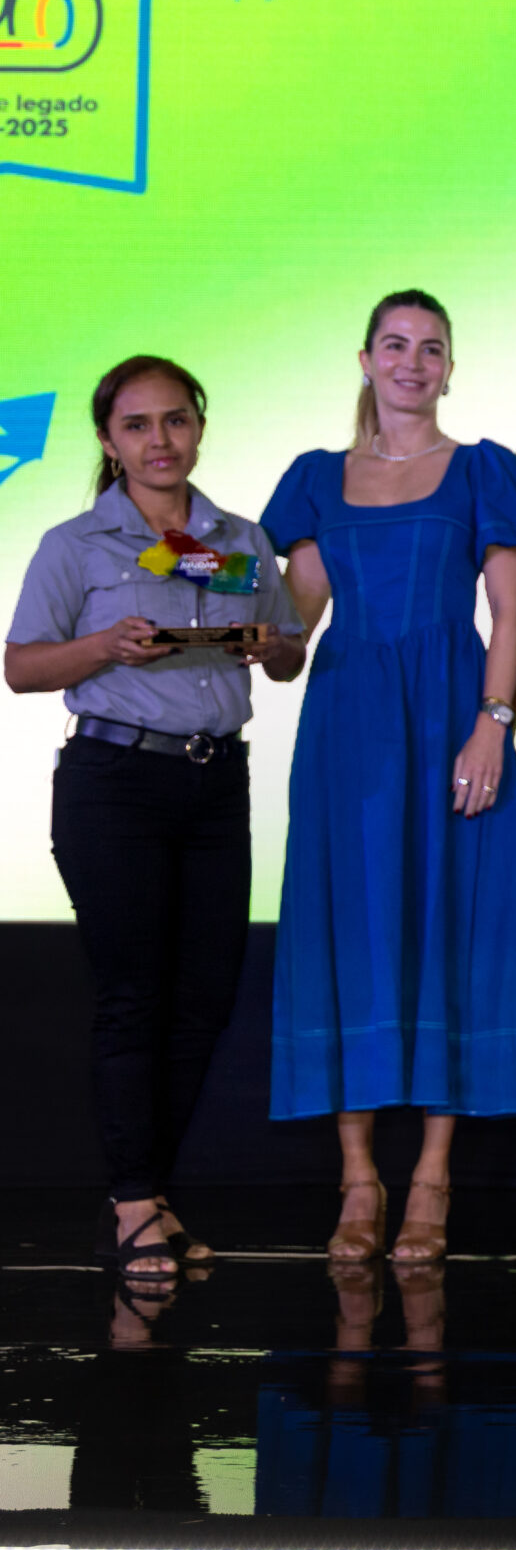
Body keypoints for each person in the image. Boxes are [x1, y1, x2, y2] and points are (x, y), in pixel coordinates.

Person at [263, 289, 516, 1264]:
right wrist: (233, 629)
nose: (412, 362)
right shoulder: (316, 476)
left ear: (450, 368)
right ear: (365, 359)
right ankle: (358, 1178)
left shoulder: (482, 468)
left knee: (448, 923)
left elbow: (512, 613)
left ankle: (432, 1177)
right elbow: (292, 629)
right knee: (346, 926)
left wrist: (492, 726)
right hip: (346, 724)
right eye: (395, 345)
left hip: (450, 716)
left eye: (431, 348)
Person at [5, 357, 305, 1274]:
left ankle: (144, 1195)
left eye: (176, 420)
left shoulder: (239, 538)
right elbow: (20, 666)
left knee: (206, 999)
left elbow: (289, 655)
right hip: (114, 780)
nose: (160, 440)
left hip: (215, 784)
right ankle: (135, 1198)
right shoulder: (76, 543)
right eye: (137, 425)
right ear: (109, 440)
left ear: (199, 427)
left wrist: (270, 645)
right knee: (134, 995)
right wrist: (103, 645)